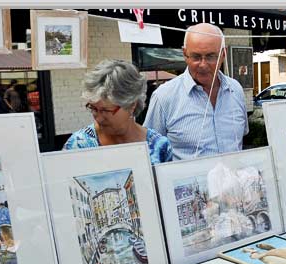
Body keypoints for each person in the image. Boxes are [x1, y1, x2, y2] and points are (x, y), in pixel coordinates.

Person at [144, 23, 248, 160]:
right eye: (196, 57)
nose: (203, 64)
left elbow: (242, 136)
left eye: (211, 56)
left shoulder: (236, 90)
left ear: (223, 55)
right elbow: (149, 152)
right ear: (185, 54)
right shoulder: (164, 97)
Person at [63, 59, 172, 164]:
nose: (99, 118)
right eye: (93, 108)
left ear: (132, 105)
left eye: (106, 110)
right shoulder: (78, 145)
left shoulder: (159, 147)